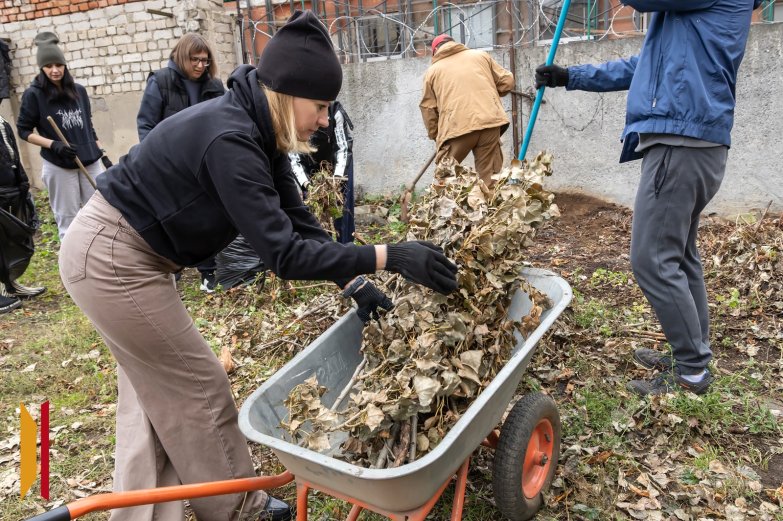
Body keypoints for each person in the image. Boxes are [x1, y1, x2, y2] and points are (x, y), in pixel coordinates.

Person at [59, 11, 458, 521]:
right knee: (199, 385)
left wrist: (355, 280)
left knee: (154, 396)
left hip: (119, 251)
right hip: (114, 259)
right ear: (287, 94)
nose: (323, 120)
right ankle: (238, 510)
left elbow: (299, 224)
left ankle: (143, 514)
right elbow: (284, 255)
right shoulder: (230, 140)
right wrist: (391, 257)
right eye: (319, 106)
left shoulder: (254, 129)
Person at [535, 0, 761, 396]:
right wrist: (570, 76)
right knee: (678, 256)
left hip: (682, 141)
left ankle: (691, 373)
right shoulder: (685, 22)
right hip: (689, 141)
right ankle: (691, 356)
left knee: (652, 260)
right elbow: (642, 67)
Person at [137, 33, 226, 292]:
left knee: (205, 217)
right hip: (170, 164)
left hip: (202, 162)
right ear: (181, 56)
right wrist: (155, 161)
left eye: (205, 61)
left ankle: (208, 272)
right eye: (195, 60)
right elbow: (146, 124)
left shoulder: (214, 87)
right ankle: (170, 271)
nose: (200, 66)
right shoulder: (162, 82)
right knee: (169, 217)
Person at [16, 32, 108, 240]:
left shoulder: (79, 91)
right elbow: (24, 130)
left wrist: (102, 153)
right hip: (59, 165)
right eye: (49, 66)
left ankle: (100, 260)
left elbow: (88, 126)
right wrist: (54, 145)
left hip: (90, 161)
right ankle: (72, 267)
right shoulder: (34, 95)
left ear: (65, 65)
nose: (55, 70)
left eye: (59, 65)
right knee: (69, 219)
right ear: (42, 68)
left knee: (102, 212)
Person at [419, 34, 515, 187]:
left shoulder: (432, 72)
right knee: (488, 179)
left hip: (457, 129)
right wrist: (490, 93)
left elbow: (428, 108)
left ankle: (450, 209)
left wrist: (436, 135)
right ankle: (489, 208)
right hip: (489, 124)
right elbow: (507, 81)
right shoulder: (481, 56)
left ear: (435, 50)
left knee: (446, 177)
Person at [289, 100, 355, 243]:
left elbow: (343, 148)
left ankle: (346, 248)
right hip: (310, 167)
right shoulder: (291, 117)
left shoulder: (334, 111)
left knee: (342, 209)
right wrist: (307, 185)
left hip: (338, 161)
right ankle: (322, 250)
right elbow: (293, 159)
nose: (322, 122)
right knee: (314, 211)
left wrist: (336, 180)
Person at [0, 102, 45, 306]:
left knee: (7, 243)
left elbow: (12, 154)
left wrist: (22, 182)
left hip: (9, 190)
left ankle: (10, 286)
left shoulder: (2, 122)